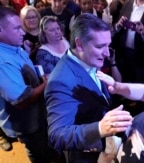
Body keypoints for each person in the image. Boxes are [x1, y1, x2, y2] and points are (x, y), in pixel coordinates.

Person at [44, 13, 132, 163]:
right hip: (87, 156)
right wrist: (100, 128)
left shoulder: (87, 59)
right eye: (100, 46)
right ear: (79, 44)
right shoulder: (60, 81)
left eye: (108, 45)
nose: (107, 53)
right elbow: (57, 136)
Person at [0, 6, 54, 162]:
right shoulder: (2, 62)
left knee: (45, 147)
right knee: (38, 153)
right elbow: (22, 101)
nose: (23, 32)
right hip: (27, 123)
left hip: (39, 115)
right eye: (17, 28)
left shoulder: (14, 47)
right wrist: (48, 83)